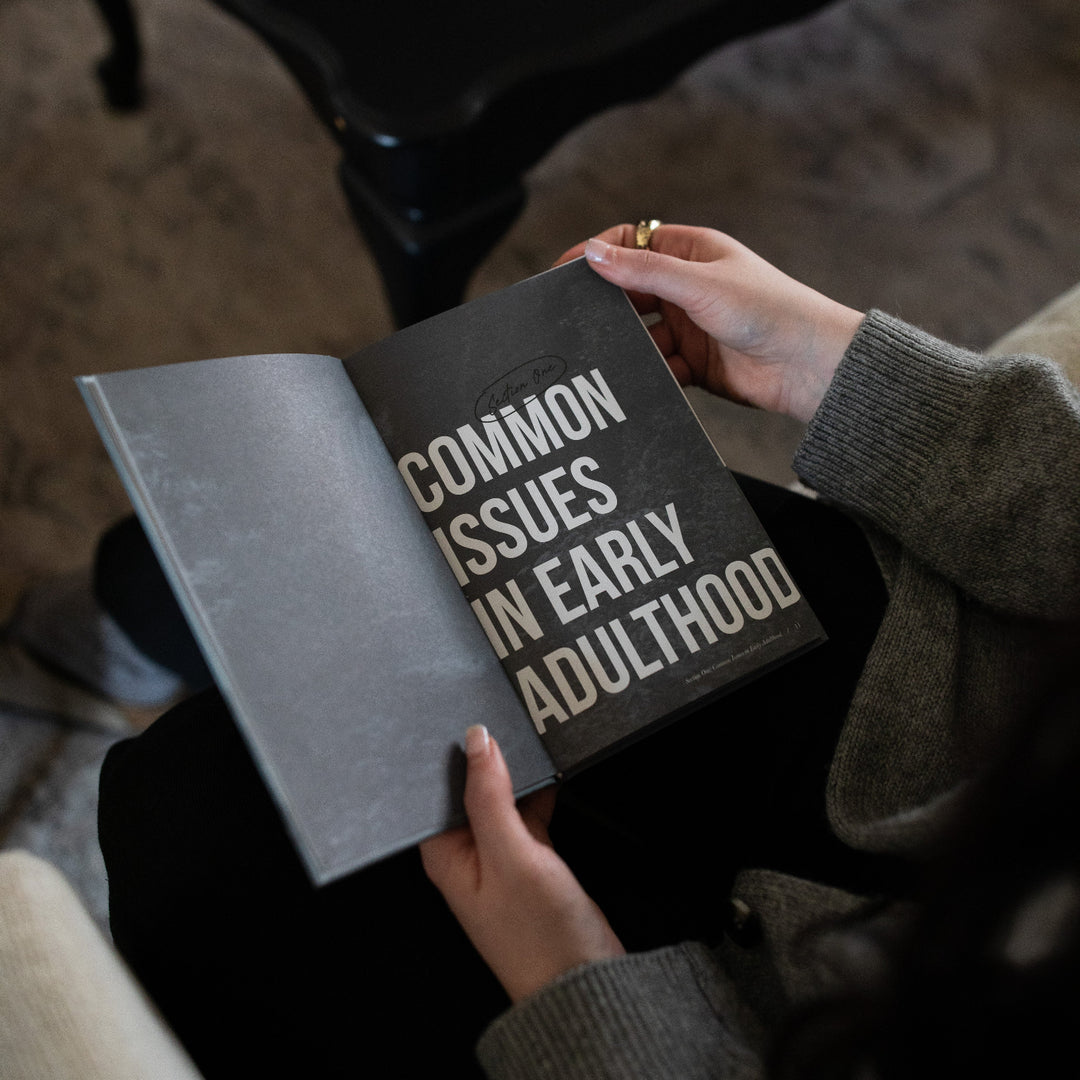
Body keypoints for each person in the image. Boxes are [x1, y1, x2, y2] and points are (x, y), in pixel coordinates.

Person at [83, 223, 1080, 1076]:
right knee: (328, 560)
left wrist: (575, 987)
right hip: (954, 695)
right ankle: (139, 616)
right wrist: (832, 361)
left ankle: (122, 639)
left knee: (191, 837)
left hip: (758, 1039)